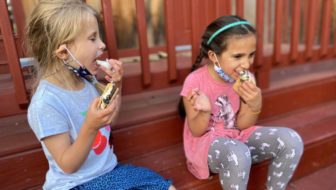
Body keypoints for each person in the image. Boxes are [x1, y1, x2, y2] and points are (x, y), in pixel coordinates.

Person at [26, 0, 175, 189]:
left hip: (109, 173)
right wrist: (89, 126)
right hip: (76, 184)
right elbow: (68, 165)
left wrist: (116, 84)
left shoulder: (86, 82)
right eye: (93, 38)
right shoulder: (46, 103)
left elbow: (109, 120)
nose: (102, 45)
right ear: (64, 52)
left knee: (163, 186)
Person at [179, 15, 304, 190]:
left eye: (251, 55)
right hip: (206, 145)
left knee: (292, 140)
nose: (246, 64)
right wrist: (204, 111)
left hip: (237, 138)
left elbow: (242, 125)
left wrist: (254, 106)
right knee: (238, 153)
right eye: (237, 56)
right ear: (214, 56)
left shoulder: (247, 79)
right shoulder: (194, 83)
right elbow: (197, 131)